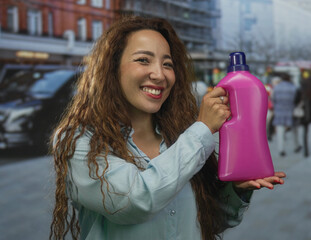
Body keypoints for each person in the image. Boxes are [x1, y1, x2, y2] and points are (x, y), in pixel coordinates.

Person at [49, 16, 285, 240]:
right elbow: (134, 201)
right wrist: (202, 129)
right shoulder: (79, 140)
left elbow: (207, 221)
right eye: (143, 60)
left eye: (168, 64)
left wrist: (236, 190)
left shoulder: (177, 135)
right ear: (111, 69)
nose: (159, 74)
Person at [271, 73, 302, 157]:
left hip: (279, 112)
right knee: (294, 130)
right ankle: (296, 145)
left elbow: (273, 99)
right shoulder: (294, 88)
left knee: (280, 131)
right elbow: (297, 99)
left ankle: (281, 149)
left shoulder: (276, 88)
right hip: (291, 111)